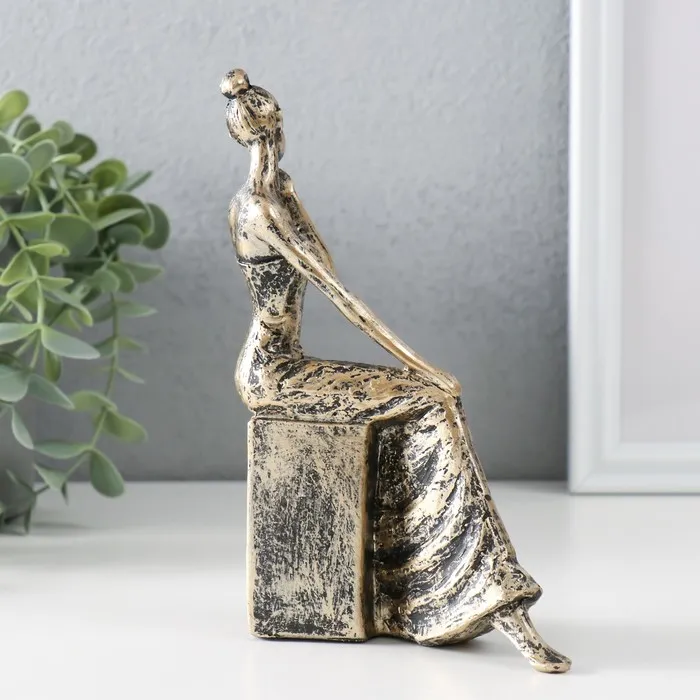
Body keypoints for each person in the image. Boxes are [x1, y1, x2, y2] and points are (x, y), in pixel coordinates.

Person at [222, 69, 571, 673]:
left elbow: (325, 263)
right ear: (261, 135)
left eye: (277, 129)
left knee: (430, 402)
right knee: (432, 398)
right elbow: (343, 299)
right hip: (271, 375)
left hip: (292, 363)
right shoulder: (256, 211)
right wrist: (424, 367)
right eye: (271, 132)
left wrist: (289, 193)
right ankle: (477, 599)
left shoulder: (281, 194)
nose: (278, 140)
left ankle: (432, 597)